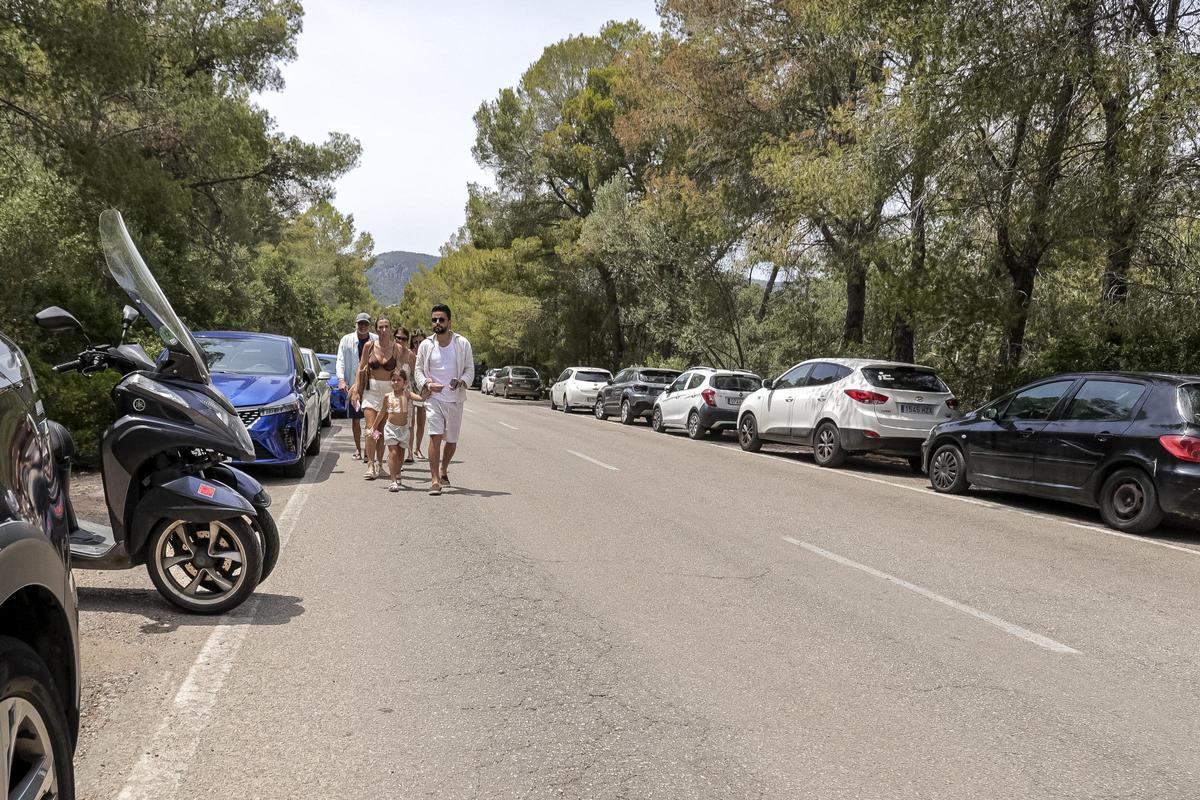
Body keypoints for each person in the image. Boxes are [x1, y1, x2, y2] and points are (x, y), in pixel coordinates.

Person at [414, 304, 473, 496]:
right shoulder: (426, 345)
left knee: (452, 441)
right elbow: (418, 370)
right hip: (434, 399)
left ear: (449, 322)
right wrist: (428, 385)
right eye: (434, 320)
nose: (437, 323)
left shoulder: (462, 344)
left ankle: (444, 469)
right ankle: (434, 480)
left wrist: (461, 382)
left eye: (441, 319)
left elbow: (469, 369)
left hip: (454, 399)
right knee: (435, 436)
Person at [350, 316, 402, 480]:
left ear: (391, 329)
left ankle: (379, 464)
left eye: (386, 327)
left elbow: (399, 372)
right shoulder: (369, 346)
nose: (384, 330)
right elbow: (361, 368)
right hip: (371, 392)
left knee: (382, 431)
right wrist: (357, 390)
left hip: (388, 393)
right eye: (380, 327)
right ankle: (370, 464)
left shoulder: (397, 349)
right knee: (371, 429)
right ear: (376, 329)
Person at [368, 368, 424, 492]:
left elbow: (421, 398)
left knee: (400, 456)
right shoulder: (388, 397)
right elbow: (382, 412)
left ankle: (398, 473)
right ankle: (393, 480)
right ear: (390, 382)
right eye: (393, 380)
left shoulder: (407, 394)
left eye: (399, 380)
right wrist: (374, 426)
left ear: (404, 382)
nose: (396, 382)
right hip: (390, 428)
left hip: (404, 429)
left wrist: (428, 388)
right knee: (393, 453)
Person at [335, 312, 377, 460]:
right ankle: (358, 448)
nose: (363, 326)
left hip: (371, 385)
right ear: (356, 324)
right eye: (360, 324)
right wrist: (341, 379)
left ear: (369, 325)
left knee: (371, 418)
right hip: (355, 386)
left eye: (366, 324)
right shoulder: (346, 340)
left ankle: (368, 449)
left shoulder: (375, 340)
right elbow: (340, 360)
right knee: (356, 418)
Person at [407, 329, 430, 461]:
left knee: (421, 422)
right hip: (410, 389)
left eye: (420, 341)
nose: (418, 344)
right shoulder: (409, 354)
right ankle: (409, 451)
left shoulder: (428, 353)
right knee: (411, 422)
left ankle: (418, 449)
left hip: (422, 390)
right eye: (415, 342)